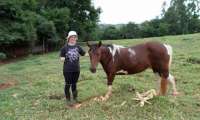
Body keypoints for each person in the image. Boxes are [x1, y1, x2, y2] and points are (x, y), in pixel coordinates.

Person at [60, 31, 86, 103]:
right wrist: (63, 58)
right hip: (67, 70)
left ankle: (75, 98)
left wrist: (93, 51)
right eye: (71, 37)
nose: (73, 38)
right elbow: (61, 58)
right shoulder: (64, 48)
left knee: (74, 84)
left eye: (74, 37)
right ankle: (68, 99)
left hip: (76, 69)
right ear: (68, 38)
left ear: (76, 38)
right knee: (68, 84)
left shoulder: (78, 47)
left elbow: (84, 54)